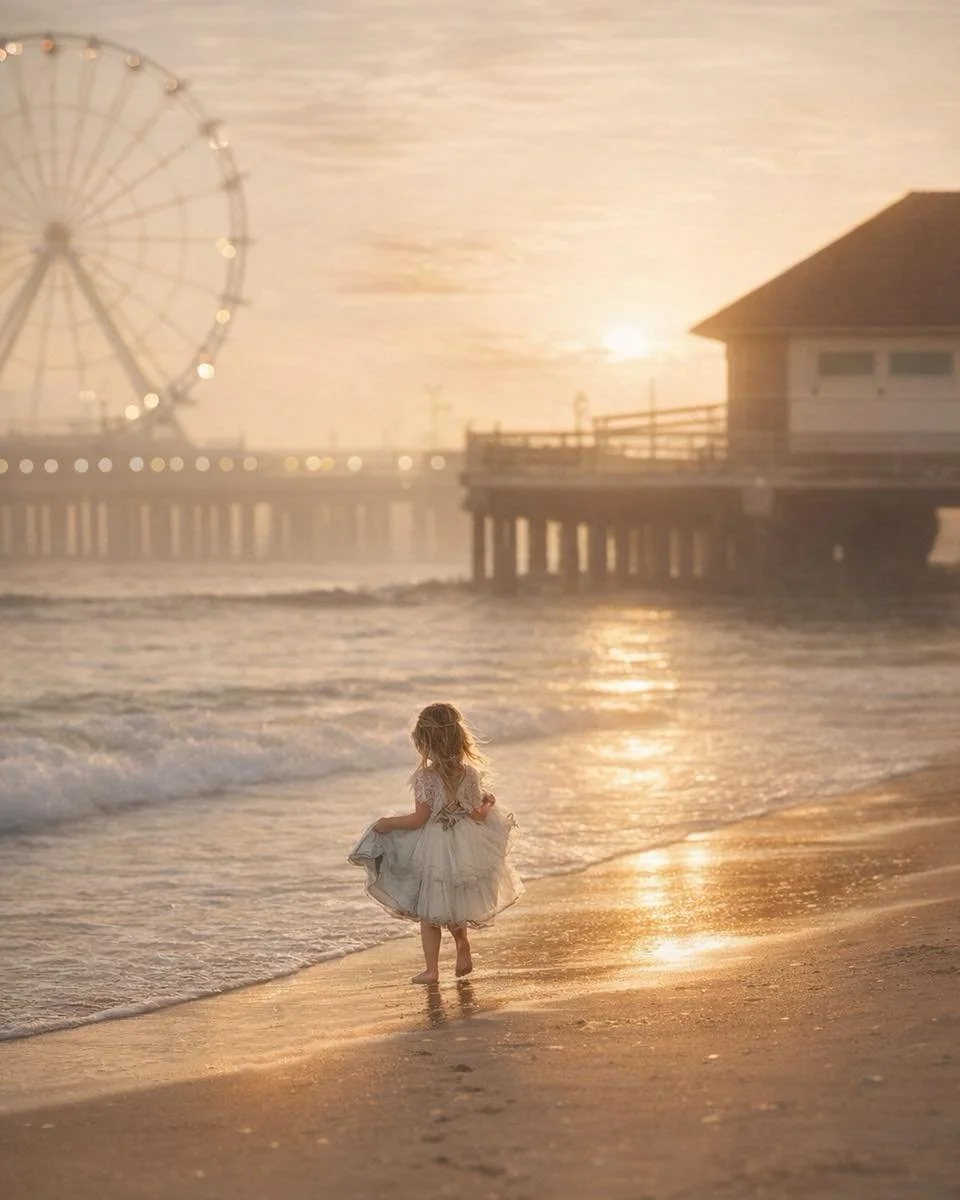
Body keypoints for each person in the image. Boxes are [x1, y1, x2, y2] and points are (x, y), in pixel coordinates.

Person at [348, 702, 522, 983]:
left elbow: (419, 819)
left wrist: (386, 823)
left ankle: (432, 970)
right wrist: (488, 805)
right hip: (464, 843)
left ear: (425, 743)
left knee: (430, 913)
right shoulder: (469, 773)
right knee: (455, 901)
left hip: (435, 846)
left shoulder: (425, 778)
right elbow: (476, 815)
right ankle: (462, 945)